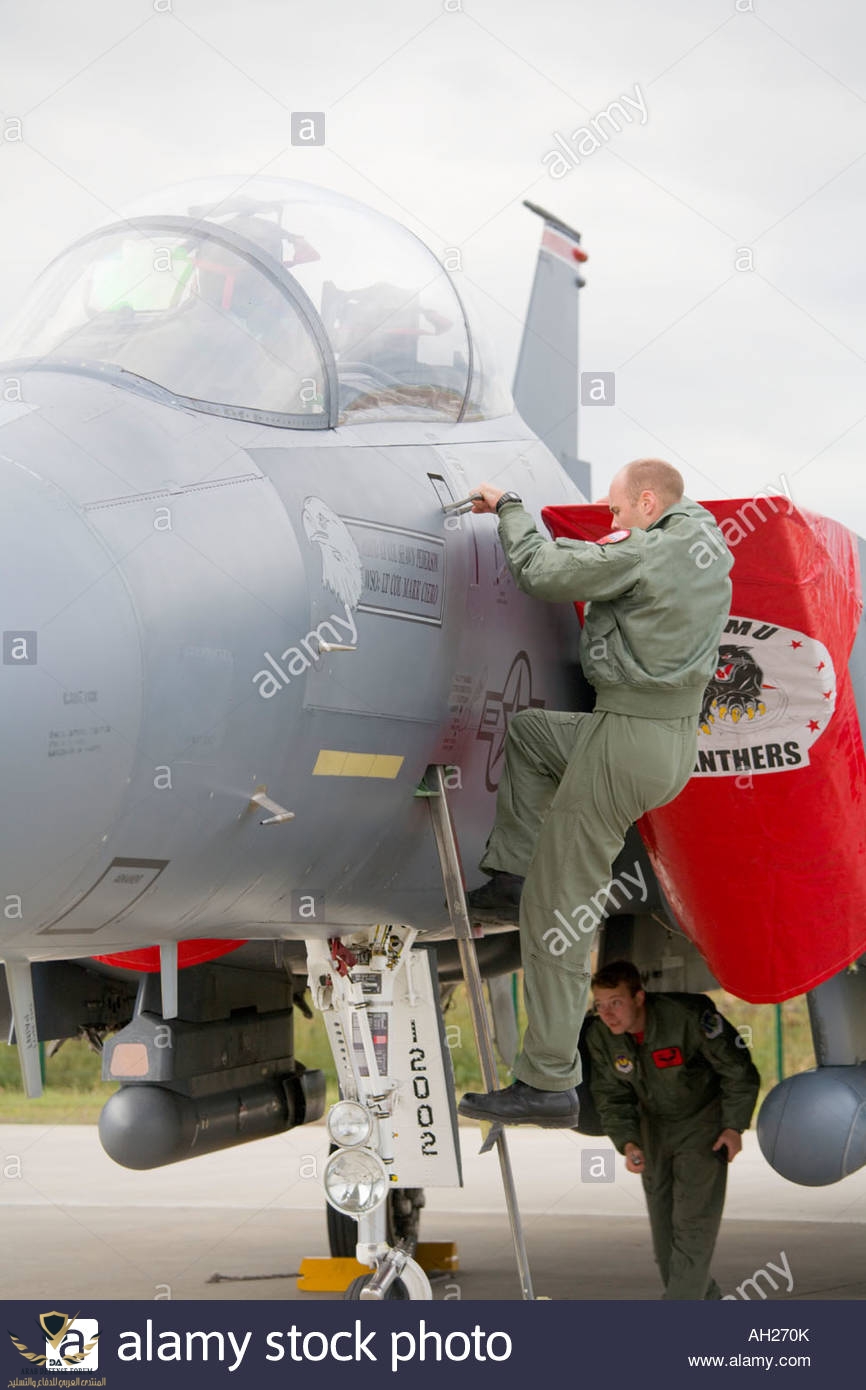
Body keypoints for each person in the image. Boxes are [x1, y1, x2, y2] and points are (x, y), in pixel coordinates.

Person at [457, 459, 733, 1128]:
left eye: (616, 509)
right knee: (531, 737)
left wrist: (510, 508)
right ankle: (512, 875)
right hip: (663, 743)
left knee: (558, 911)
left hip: (624, 743)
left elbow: (543, 574)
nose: (611, 521)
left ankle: (548, 1081)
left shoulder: (652, 551)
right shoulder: (706, 548)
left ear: (646, 501)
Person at [586, 959, 760, 1300]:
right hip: (653, 1130)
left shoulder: (688, 1018)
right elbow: (610, 1095)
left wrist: (733, 1126)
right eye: (600, 1005)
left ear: (639, 997)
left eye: (616, 1003)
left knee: (692, 1230)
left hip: (702, 1125)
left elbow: (738, 1070)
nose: (607, 1014)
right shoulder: (601, 1036)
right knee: (665, 1244)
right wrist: (629, 1142)